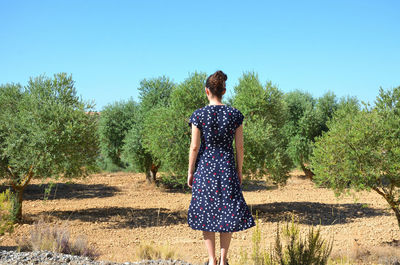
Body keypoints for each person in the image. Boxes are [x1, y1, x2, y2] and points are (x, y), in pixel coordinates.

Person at [187, 70, 256, 265]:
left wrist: (190, 171)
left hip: (205, 169)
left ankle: (211, 260)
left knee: (206, 212)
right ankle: (224, 259)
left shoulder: (199, 115)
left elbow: (194, 147)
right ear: (224, 91)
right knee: (228, 212)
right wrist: (239, 171)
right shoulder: (235, 115)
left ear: (207, 91)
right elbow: (240, 147)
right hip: (227, 168)